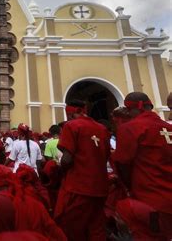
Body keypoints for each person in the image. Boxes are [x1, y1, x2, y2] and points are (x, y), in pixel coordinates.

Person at [113, 92, 172, 239]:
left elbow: (122, 164)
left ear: (135, 108)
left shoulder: (130, 128)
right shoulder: (168, 127)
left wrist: (128, 187)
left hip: (150, 200)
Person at [54, 100, 110, 240]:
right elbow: (106, 155)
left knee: (73, 229)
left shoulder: (72, 126)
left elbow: (67, 159)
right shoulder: (102, 128)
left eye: (68, 114)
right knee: (97, 229)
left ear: (74, 112)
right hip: (100, 188)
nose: (67, 117)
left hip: (78, 187)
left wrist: (59, 167)